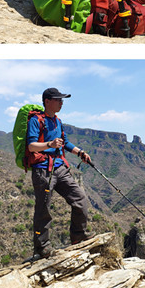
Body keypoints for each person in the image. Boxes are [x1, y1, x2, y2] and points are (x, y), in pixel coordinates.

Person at [26, 87, 93, 259]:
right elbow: (31, 146)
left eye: (62, 100)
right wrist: (50, 144)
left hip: (60, 168)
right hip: (43, 170)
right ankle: (42, 248)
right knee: (43, 209)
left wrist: (80, 153)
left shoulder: (57, 121)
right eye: (58, 100)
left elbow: (65, 143)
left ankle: (78, 236)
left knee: (80, 199)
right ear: (47, 101)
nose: (61, 103)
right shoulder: (36, 120)